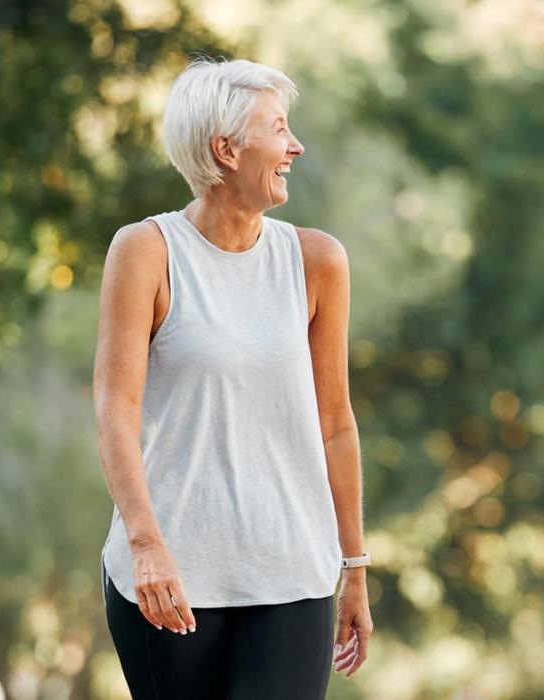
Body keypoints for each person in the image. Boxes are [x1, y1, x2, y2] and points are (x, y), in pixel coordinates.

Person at [92, 58, 372, 698]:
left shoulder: (317, 261)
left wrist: (354, 566)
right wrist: (146, 546)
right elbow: (115, 409)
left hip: (292, 575)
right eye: (278, 129)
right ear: (226, 148)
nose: (295, 145)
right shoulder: (147, 251)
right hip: (170, 579)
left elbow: (336, 423)